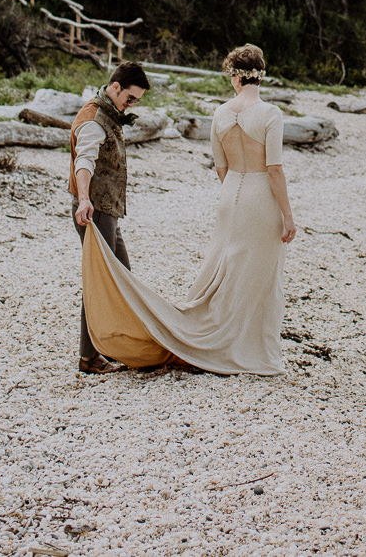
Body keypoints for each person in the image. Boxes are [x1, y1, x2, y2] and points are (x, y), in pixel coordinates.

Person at [77, 44, 296, 376]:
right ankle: (244, 344)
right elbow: (275, 170)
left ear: (234, 76)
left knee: (222, 268)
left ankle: (181, 336)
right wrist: (288, 215)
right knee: (258, 276)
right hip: (259, 194)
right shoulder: (270, 114)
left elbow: (221, 167)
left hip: (230, 192)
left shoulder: (221, 114)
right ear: (259, 75)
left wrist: (233, 190)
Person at [69, 61, 150, 375]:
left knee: (122, 276)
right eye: (130, 98)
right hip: (95, 210)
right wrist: (85, 199)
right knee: (102, 281)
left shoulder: (107, 113)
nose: (131, 105)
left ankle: (112, 345)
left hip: (108, 210)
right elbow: (84, 161)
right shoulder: (92, 119)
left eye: (136, 102)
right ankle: (88, 357)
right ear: (115, 87)